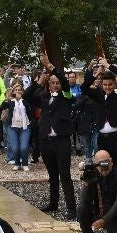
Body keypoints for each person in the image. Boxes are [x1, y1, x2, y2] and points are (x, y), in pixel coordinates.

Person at [32, 61, 76, 218]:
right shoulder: (43, 97)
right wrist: (38, 82)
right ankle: (53, 203)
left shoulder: (66, 96)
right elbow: (27, 95)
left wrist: (51, 67)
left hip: (61, 140)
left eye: (57, 82)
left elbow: (65, 84)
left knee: (65, 174)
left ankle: (72, 208)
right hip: (46, 140)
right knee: (52, 175)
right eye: (53, 83)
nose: (56, 85)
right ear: (49, 84)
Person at [89, 58, 117, 171]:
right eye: (105, 85)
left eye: (110, 84)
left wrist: (108, 65)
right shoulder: (99, 95)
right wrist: (97, 73)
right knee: (103, 169)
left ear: (115, 83)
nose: (107, 87)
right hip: (103, 139)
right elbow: (84, 88)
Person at [0, 80, 32, 170]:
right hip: (12, 127)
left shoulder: (25, 101)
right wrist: (7, 98)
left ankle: (25, 163)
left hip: (25, 127)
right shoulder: (10, 101)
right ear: (13, 91)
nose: (18, 91)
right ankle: (17, 163)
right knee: (15, 148)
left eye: (20, 89)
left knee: (24, 147)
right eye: (16, 90)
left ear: (22, 91)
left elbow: (30, 110)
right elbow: (2, 107)